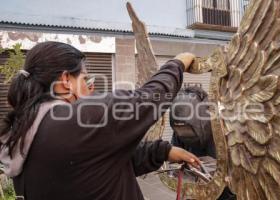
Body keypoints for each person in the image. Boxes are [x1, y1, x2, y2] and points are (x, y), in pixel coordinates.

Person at [0, 41, 200, 200]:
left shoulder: (25, 130)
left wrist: (162, 152)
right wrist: (178, 63)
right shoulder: (75, 119)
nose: (91, 88)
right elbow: (148, 99)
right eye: (85, 80)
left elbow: (96, 164)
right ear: (65, 81)